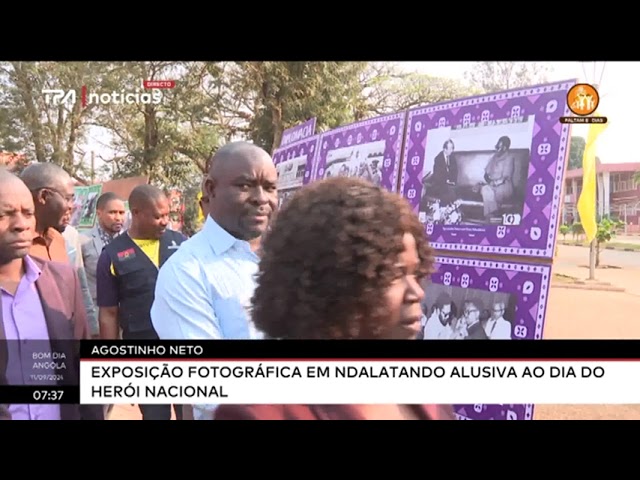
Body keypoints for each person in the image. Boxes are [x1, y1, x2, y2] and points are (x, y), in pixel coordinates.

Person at [214, 177, 454, 420]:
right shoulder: (262, 413)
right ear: (333, 282)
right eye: (394, 274)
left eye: (416, 273)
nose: (416, 293)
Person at [151, 141, 278, 421]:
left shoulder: (286, 260)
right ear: (210, 189)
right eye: (245, 186)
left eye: (270, 187)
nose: (261, 198)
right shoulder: (186, 272)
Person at [0, 170, 103, 420]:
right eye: (5, 214)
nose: (22, 224)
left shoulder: (62, 280)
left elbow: (82, 368)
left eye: (28, 213)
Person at [96, 184, 186, 420]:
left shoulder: (183, 245)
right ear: (136, 213)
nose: (164, 221)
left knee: (192, 414)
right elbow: (108, 313)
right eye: (157, 216)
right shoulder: (112, 255)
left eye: (167, 215)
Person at [20, 162, 75, 263]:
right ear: (43, 196)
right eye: (67, 199)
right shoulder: (15, 247)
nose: (71, 206)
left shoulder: (57, 239)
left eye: (72, 199)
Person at [478, 136, 515, 219]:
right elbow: (486, 174)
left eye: (498, 147)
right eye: (496, 146)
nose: (496, 149)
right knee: (485, 189)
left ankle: (490, 217)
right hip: (492, 185)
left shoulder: (509, 158)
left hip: (504, 186)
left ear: (504, 148)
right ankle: (492, 215)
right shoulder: (494, 157)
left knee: (490, 191)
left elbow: (505, 177)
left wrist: (494, 183)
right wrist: (489, 181)